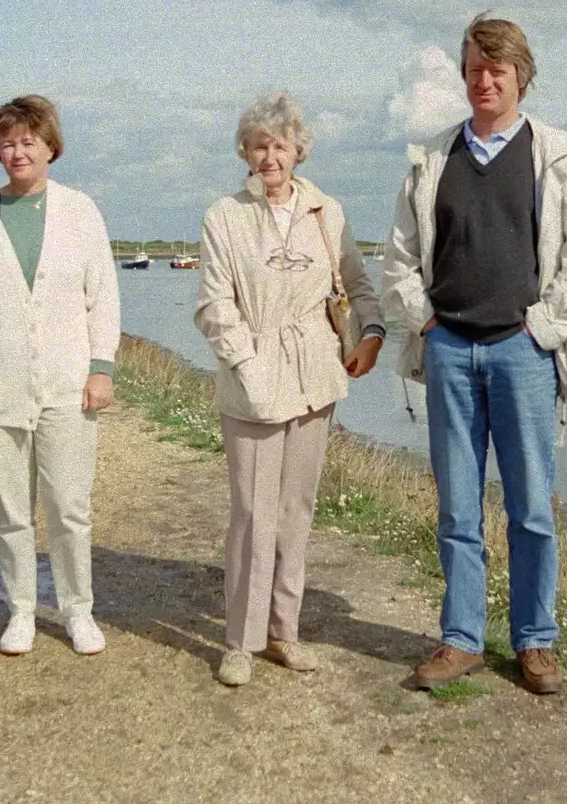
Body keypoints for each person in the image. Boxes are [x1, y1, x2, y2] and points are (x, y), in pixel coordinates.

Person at [382, 13, 567, 695]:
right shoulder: (432, 160)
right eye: (475, 69)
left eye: (498, 70)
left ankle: (535, 640)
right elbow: (398, 257)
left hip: (523, 356)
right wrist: (424, 322)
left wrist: (543, 328)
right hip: (450, 352)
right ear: (463, 75)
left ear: (521, 77)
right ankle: (460, 639)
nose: (485, 80)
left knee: (531, 508)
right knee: (458, 506)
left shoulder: (558, 157)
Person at [195, 91, 384, 687]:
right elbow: (213, 306)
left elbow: (358, 283)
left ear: (298, 150)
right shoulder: (223, 216)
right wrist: (248, 367)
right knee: (253, 513)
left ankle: (284, 633)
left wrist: (370, 335)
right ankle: (240, 642)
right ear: (245, 153)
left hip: (316, 377)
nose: (270, 156)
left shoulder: (326, 210)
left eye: (280, 145)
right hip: (252, 378)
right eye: (258, 146)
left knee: (296, 510)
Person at [0, 95, 120, 657]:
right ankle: (18, 609)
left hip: (69, 386)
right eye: (8, 142)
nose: (18, 151)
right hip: (1, 386)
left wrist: (101, 367)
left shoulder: (81, 210)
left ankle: (77, 609)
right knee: (11, 508)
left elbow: (103, 296)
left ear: (50, 146)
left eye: (28, 141)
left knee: (68, 507)